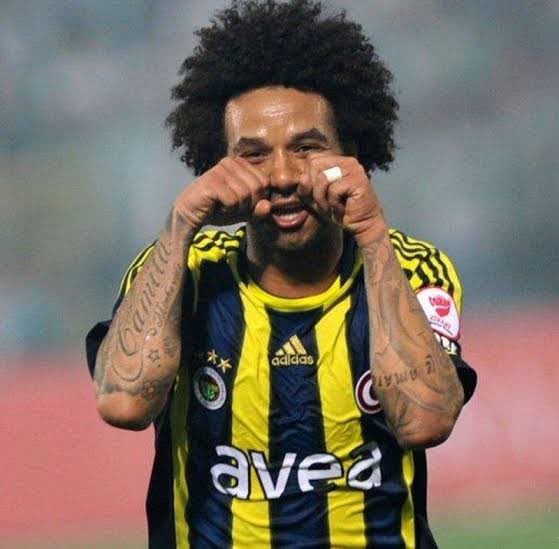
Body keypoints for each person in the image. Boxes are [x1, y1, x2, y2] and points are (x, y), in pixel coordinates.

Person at [86, 1, 477, 547]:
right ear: (219, 167)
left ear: (351, 153)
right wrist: (182, 223)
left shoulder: (410, 266)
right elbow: (123, 404)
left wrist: (372, 233)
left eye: (307, 148)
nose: (284, 175)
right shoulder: (184, 268)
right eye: (254, 155)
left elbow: (424, 422)